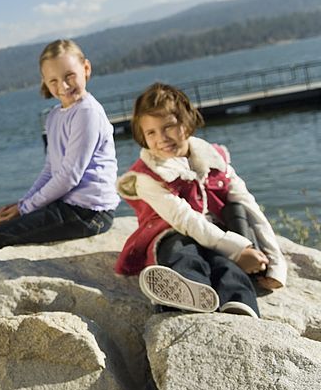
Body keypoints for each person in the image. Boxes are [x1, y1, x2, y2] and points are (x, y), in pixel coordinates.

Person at [115, 83, 286, 318]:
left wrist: (275, 263)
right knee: (182, 253)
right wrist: (235, 250)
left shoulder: (215, 160)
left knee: (225, 264)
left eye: (169, 127)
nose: (161, 138)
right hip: (173, 231)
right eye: (151, 132)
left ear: (186, 123)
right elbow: (183, 219)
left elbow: (248, 207)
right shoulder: (147, 175)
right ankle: (188, 292)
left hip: (218, 234)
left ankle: (239, 304)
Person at [0, 39, 119, 248]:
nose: (63, 86)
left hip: (91, 212)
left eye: (69, 76)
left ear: (86, 68)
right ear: (44, 81)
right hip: (67, 204)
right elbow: (50, 170)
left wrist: (26, 209)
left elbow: (69, 177)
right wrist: (23, 203)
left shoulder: (87, 113)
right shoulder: (54, 115)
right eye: (53, 80)